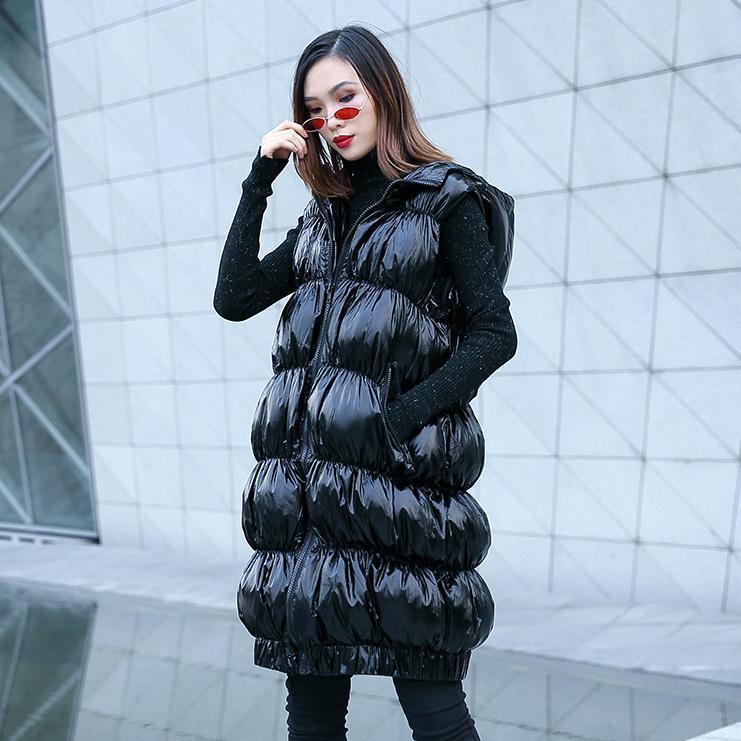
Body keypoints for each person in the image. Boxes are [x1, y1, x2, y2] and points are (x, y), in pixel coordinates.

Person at [213, 25, 517, 741]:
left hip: (401, 499)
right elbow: (235, 296)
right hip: (308, 509)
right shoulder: (324, 218)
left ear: (383, 93)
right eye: (315, 109)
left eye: (345, 98)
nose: (333, 119)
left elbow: (493, 333)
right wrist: (259, 180)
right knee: (313, 717)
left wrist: (397, 419)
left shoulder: (446, 200)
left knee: (435, 712)